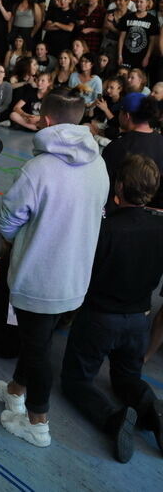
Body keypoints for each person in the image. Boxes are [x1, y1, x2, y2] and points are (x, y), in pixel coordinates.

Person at [0, 89, 110, 448]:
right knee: (38, 340)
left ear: (45, 121)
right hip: (76, 277)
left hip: (39, 277)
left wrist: (21, 236)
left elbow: (7, 220)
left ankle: (38, 423)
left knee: (38, 349)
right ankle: (15, 392)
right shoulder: (100, 163)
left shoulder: (38, 169)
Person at [60, 154, 163, 463]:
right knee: (127, 377)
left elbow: (82, 271)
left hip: (100, 318)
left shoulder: (105, 229)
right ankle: (149, 404)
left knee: (76, 381)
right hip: (139, 320)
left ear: (118, 185)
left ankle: (112, 419)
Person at [102, 93, 163, 210]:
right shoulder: (161, 141)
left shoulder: (116, 147)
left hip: (122, 215)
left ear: (127, 115)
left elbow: (105, 189)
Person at [118, 0, 158, 69]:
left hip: (142, 57)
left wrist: (147, 57)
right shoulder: (127, 17)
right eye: (137, 2)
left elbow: (152, 41)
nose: (138, 4)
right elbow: (121, 37)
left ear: (147, 3)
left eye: (141, 2)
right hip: (126, 55)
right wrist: (120, 55)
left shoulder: (152, 20)